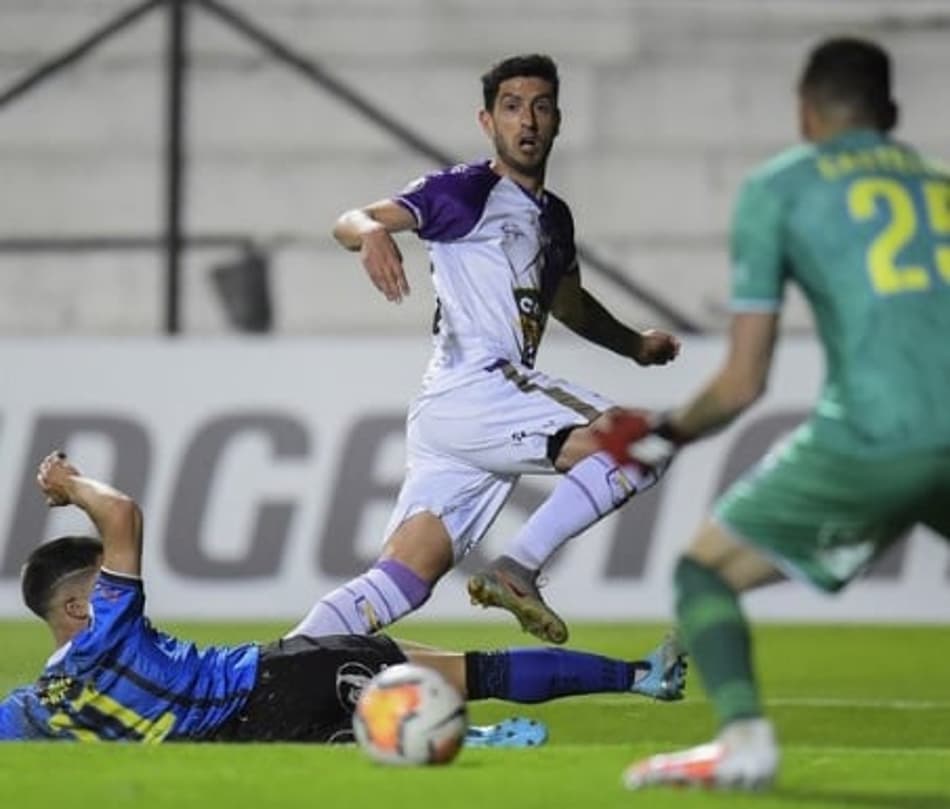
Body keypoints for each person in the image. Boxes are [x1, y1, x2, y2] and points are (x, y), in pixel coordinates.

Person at [615, 37, 950, 790]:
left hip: (875, 436)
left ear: (805, 112)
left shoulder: (782, 186)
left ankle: (743, 739)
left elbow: (741, 382)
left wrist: (662, 432)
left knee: (705, 569)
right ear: (890, 113)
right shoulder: (941, 184)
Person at [302, 52, 680, 648]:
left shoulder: (555, 218)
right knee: (643, 443)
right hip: (477, 384)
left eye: (540, 107)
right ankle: (518, 568)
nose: (526, 121)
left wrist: (635, 344)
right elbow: (350, 219)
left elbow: (570, 305)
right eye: (511, 108)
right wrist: (372, 232)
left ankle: (257, 676)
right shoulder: (468, 189)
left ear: (558, 120)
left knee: (404, 579)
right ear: (488, 122)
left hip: (459, 417)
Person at [0, 451, 687, 743]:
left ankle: (463, 734)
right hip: (280, 676)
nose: (118, 585)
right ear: (76, 609)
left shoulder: (39, 706)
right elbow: (121, 514)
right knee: (479, 672)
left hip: (248, 740)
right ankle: (636, 677)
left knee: (366, 732)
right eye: (103, 581)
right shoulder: (108, 628)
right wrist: (70, 482)